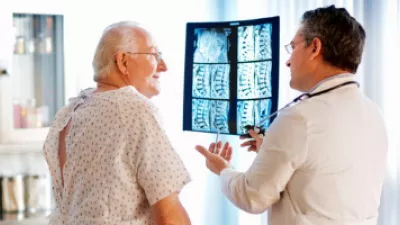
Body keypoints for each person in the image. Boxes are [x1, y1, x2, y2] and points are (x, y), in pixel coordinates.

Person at [195, 5, 388, 225]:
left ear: (315, 47)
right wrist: (273, 149)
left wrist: (222, 170)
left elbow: (252, 197)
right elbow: (326, 175)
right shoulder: (374, 113)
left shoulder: (299, 118)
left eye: (293, 47)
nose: (287, 61)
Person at [43, 21, 192, 225]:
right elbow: (169, 216)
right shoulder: (135, 110)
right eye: (154, 55)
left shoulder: (70, 113)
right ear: (123, 61)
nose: (163, 66)